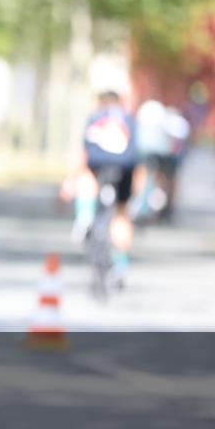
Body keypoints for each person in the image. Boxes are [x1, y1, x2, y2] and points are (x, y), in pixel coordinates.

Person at [63, 88, 137, 286]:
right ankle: (121, 264)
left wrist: (71, 181)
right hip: (124, 169)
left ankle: (85, 216)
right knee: (121, 214)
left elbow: (82, 154)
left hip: (97, 167)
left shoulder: (95, 118)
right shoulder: (128, 120)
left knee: (87, 177)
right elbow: (137, 156)